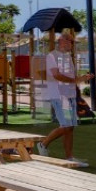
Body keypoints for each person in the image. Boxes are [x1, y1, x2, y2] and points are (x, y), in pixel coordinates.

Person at [37, 30, 83, 162]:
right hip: (58, 95)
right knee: (66, 126)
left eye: (73, 42)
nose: (72, 44)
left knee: (70, 127)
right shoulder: (52, 56)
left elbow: (70, 76)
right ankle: (43, 143)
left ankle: (69, 157)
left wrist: (79, 80)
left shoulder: (67, 57)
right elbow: (56, 75)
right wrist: (74, 80)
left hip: (70, 94)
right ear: (62, 41)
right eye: (71, 41)